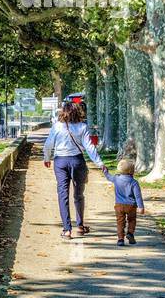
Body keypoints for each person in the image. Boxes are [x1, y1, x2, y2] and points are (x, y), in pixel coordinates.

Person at [42, 99, 102, 239]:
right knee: (78, 194)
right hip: (77, 161)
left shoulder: (57, 126)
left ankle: (67, 229)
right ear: (77, 111)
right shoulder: (82, 126)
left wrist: (46, 158)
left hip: (60, 162)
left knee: (63, 194)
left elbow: (48, 144)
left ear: (64, 112)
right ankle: (80, 226)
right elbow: (89, 147)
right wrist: (99, 163)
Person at [101, 159, 146, 245]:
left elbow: (108, 177)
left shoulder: (116, 178)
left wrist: (105, 171)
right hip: (131, 206)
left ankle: (120, 239)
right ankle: (130, 233)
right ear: (131, 171)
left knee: (120, 221)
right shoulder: (134, 182)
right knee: (132, 220)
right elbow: (138, 196)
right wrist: (141, 207)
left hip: (119, 205)